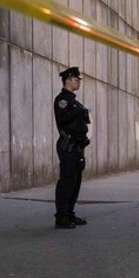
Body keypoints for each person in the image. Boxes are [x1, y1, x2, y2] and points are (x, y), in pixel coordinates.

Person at [53, 66, 90, 229]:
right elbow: (63, 120)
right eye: (76, 80)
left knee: (76, 182)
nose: (78, 83)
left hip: (78, 146)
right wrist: (78, 112)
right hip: (68, 145)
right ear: (68, 80)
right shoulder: (62, 100)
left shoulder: (74, 101)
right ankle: (61, 216)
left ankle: (69, 213)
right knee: (66, 181)